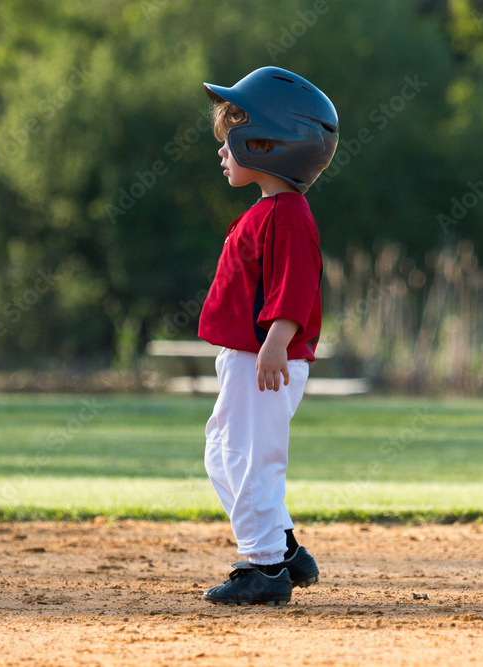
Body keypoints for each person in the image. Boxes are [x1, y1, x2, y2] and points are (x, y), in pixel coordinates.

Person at [196, 66, 337, 606]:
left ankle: (265, 569)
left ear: (267, 143)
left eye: (230, 141)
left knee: (250, 458)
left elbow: (296, 285)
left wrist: (276, 340)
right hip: (248, 358)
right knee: (223, 454)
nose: (223, 152)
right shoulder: (269, 211)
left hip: (264, 359)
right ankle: (280, 546)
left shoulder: (288, 215)